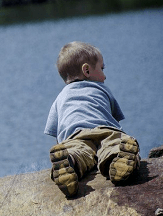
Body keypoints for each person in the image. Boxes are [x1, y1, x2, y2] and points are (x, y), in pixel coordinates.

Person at [44, 41, 140, 197]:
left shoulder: (60, 98)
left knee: (77, 153)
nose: (105, 75)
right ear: (87, 70)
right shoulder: (102, 89)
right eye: (102, 69)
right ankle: (117, 160)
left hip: (75, 136)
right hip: (106, 131)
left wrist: (65, 148)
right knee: (114, 144)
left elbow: (56, 133)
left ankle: (69, 162)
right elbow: (116, 120)